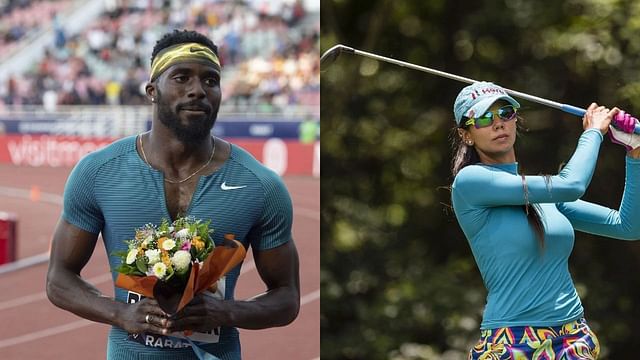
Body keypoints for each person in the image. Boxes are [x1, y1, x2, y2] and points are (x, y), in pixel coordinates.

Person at [46, 29, 300, 360]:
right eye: (182, 78)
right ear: (153, 91)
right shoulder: (98, 172)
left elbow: (287, 297)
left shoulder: (260, 186)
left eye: (211, 81)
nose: (198, 90)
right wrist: (120, 313)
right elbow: (58, 279)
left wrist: (226, 312)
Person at [450, 81, 640, 359]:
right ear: (466, 134)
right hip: (512, 341)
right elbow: (572, 183)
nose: (498, 123)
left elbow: (627, 226)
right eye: (484, 118)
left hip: (572, 337)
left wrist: (635, 153)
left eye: (505, 113)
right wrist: (593, 133)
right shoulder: (470, 183)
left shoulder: (543, 192)